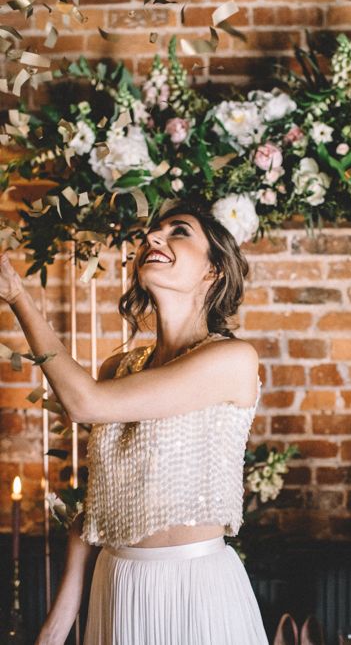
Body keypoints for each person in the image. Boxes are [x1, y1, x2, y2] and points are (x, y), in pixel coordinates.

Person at [0, 198, 268, 644]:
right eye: (152, 232)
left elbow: (82, 402)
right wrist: (59, 620)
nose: (152, 238)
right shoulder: (117, 370)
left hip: (192, 589)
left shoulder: (231, 359)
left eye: (178, 231)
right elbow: (94, 508)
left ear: (213, 271)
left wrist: (17, 296)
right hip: (116, 584)